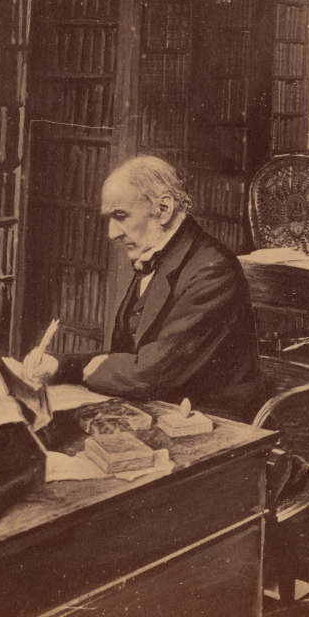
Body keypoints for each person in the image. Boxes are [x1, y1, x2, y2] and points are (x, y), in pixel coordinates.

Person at [23, 155, 263, 423]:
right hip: (157, 408)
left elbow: (151, 373)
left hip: (212, 422)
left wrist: (90, 371)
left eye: (120, 216)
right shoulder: (156, 254)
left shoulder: (213, 269)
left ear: (163, 209)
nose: (112, 233)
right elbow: (125, 356)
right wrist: (60, 366)